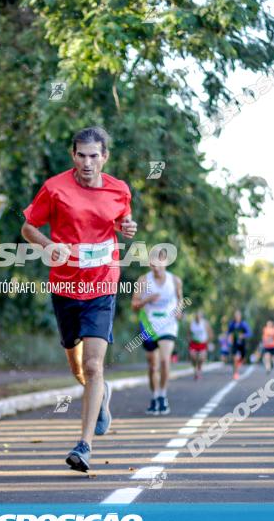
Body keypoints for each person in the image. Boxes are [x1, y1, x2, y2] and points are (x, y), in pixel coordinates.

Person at [21, 126, 137, 473]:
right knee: (76, 367)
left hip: (102, 283)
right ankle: (100, 399)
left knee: (93, 365)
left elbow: (122, 221)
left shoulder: (119, 189)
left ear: (105, 157)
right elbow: (28, 227)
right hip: (65, 285)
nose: (88, 163)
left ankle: (83, 445)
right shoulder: (54, 188)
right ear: (73, 156)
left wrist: (127, 229)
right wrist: (48, 246)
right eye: (81, 155)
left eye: (94, 156)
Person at [132, 249, 183, 415]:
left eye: (159, 263)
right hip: (148, 324)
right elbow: (134, 305)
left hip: (168, 324)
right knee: (152, 365)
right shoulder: (143, 280)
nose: (156, 267)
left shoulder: (175, 280)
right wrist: (147, 299)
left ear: (165, 262)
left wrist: (179, 311)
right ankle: (154, 396)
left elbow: (180, 301)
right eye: (152, 264)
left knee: (164, 361)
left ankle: (162, 395)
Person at [227, 310, 252, 380]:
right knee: (235, 358)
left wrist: (243, 335)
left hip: (242, 344)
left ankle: (239, 363)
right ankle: (235, 373)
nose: (237, 317)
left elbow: (249, 333)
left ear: (240, 316)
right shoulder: (232, 324)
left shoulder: (243, 324)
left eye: (238, 315)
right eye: (235, 316)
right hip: (235, 343)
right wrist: (229, 338)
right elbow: (228, 332)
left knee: (242, 358)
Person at [188, 311, 212, 380]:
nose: (198, 318)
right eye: (196, 317)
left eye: (199, 317)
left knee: (201, 358)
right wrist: (189, 340)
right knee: (193, 357)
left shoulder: (205, 323)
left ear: (201, 317)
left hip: (202, 343)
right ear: (195, 317)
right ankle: (195, 370)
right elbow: (188, 333)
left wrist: (208, 342)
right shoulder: (192, 324)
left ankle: (199, 368)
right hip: (193, 343)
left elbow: (210, 333)